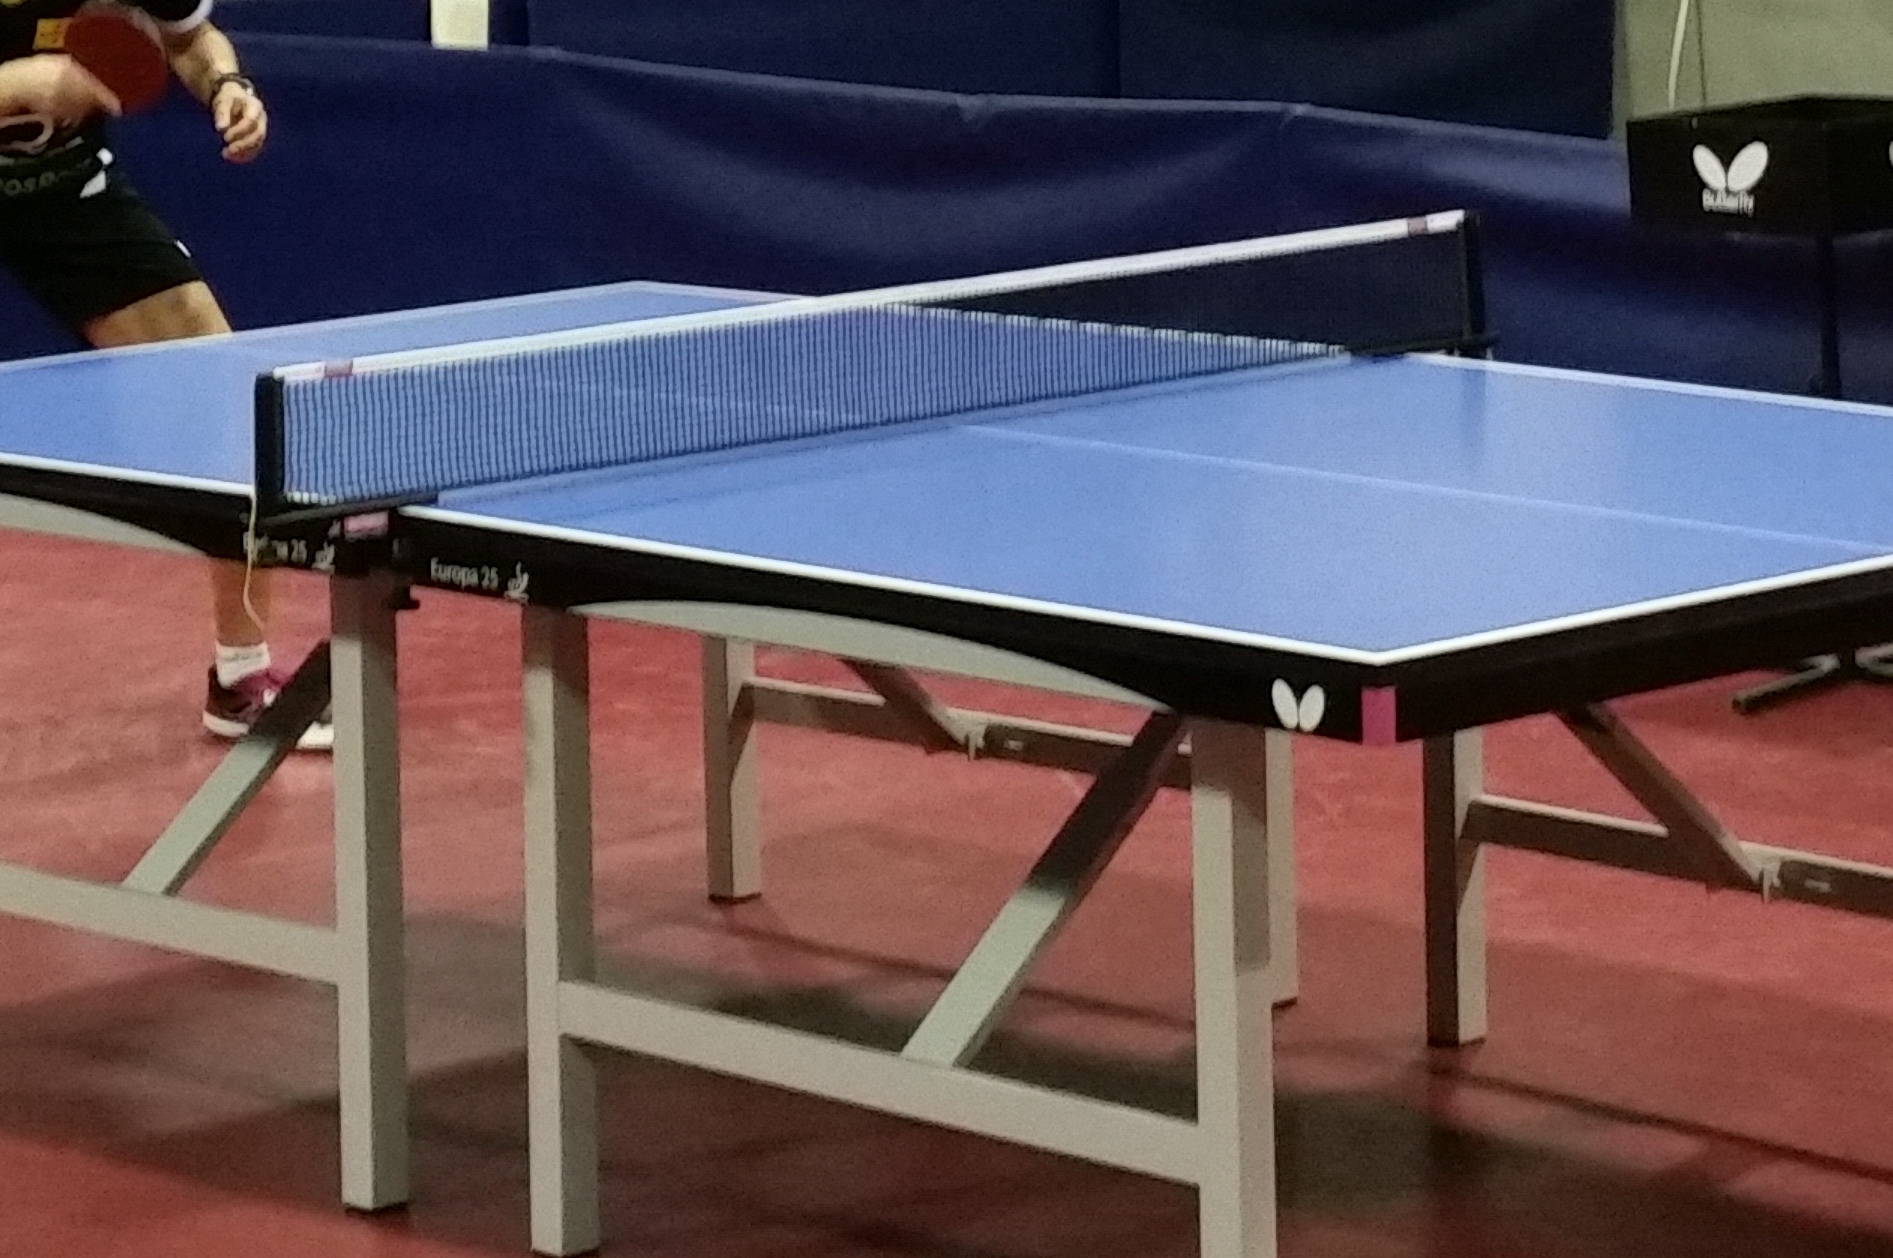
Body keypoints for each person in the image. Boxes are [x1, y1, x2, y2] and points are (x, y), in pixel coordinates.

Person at [0, 3, 330, 750]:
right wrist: (19, 84)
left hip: (60, 193)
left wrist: (226, 87)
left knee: (220, 399)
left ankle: (241, 675)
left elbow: (191, 39)